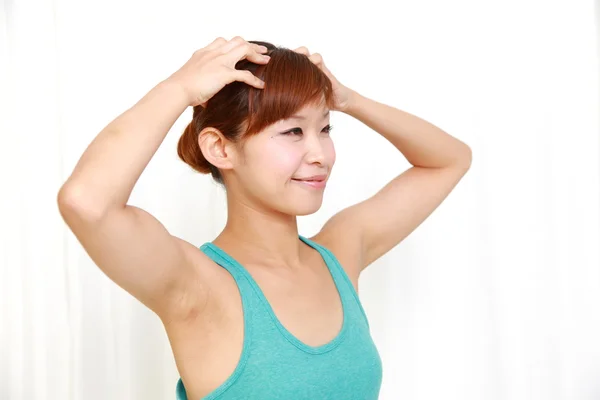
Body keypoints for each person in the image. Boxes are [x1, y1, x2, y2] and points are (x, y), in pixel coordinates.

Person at [57, 36, 472, 399]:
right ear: (220, 149)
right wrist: (179, 88)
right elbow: (86, 202)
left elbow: (449, 160)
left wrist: (348, 100)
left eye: (325, 129)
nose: (319, 154)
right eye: (293, 132)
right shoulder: (196, 286)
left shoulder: (340, 253)